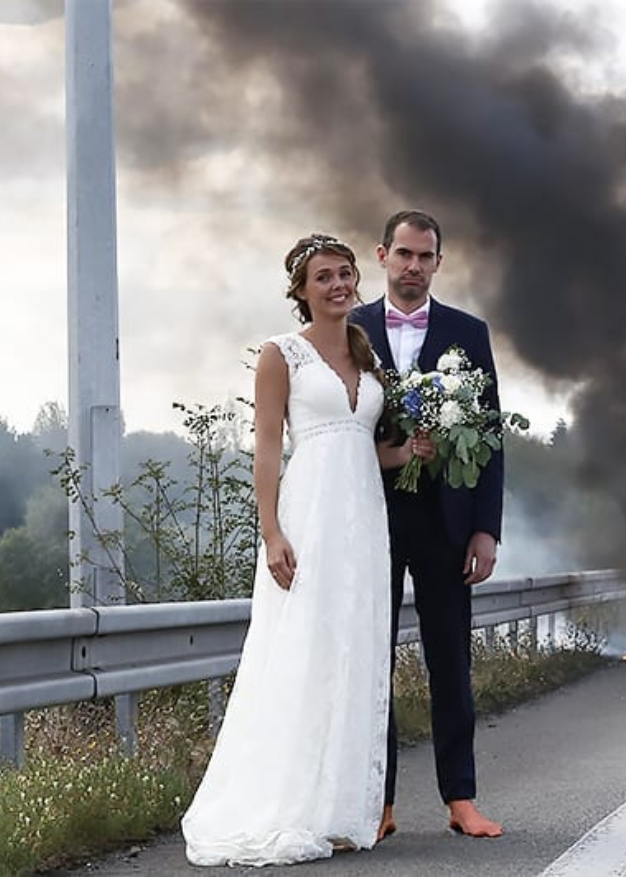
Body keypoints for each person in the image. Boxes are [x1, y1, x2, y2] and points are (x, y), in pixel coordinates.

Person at [182, 233, 421, 866]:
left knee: (355, 651)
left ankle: (341, 808)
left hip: (364, 519)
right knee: (304, 648)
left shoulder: (367, 356)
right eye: (324, 277)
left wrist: (411, 450)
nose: (339, 284)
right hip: (309, 514)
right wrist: (272, 531)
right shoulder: (280, 354)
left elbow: (360, 444)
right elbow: (267, 448)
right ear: (302, 290)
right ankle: (289, 803)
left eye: (345, 274)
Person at [351, 210, 506, 840]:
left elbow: (492, 437)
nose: (414, 266)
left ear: (439, 262)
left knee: (451, 660)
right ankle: (377, 804)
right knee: (369, 663)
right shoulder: (350, 327)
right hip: (370, 516)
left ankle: (460, 798)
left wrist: (486, 530)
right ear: (383, 254)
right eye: (405, 254)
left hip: (448, 523)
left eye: (426, 257)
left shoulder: (468, 331)